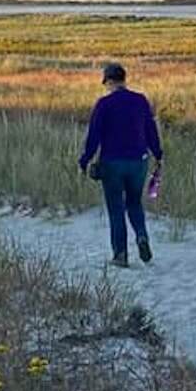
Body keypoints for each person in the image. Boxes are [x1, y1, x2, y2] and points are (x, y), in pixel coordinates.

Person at [77, 62, 163, 267]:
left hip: (112, 162)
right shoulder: (140, 101)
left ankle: (120, 255)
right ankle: (142, 236)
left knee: (116, 208)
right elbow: (151, 130)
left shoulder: (104, 104)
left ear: (108, 81)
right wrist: (158, 154)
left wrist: (85, 159)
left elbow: (94, 136)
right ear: (124, 79)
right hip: (138, 161)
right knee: (134, 203)